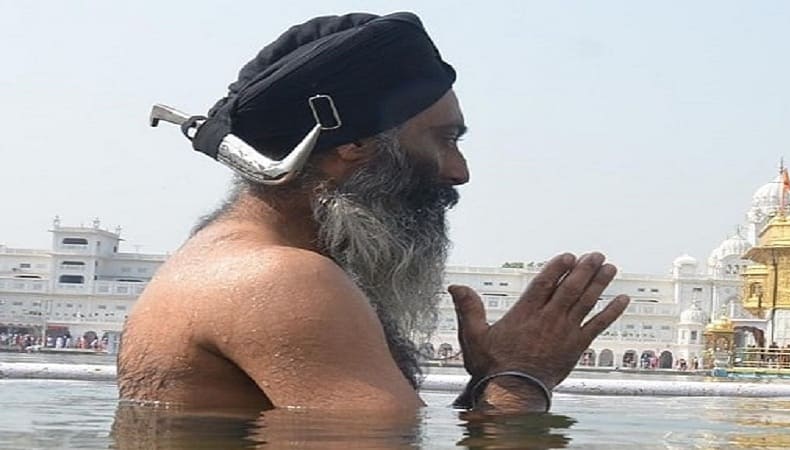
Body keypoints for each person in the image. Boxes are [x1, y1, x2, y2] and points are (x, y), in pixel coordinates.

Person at [117, 12, 630, 415]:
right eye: (444, 140)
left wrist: (490, 382)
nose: (459, 172)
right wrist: (523, 378)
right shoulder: (279, 281)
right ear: (354, 144)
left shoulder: (236, 259)